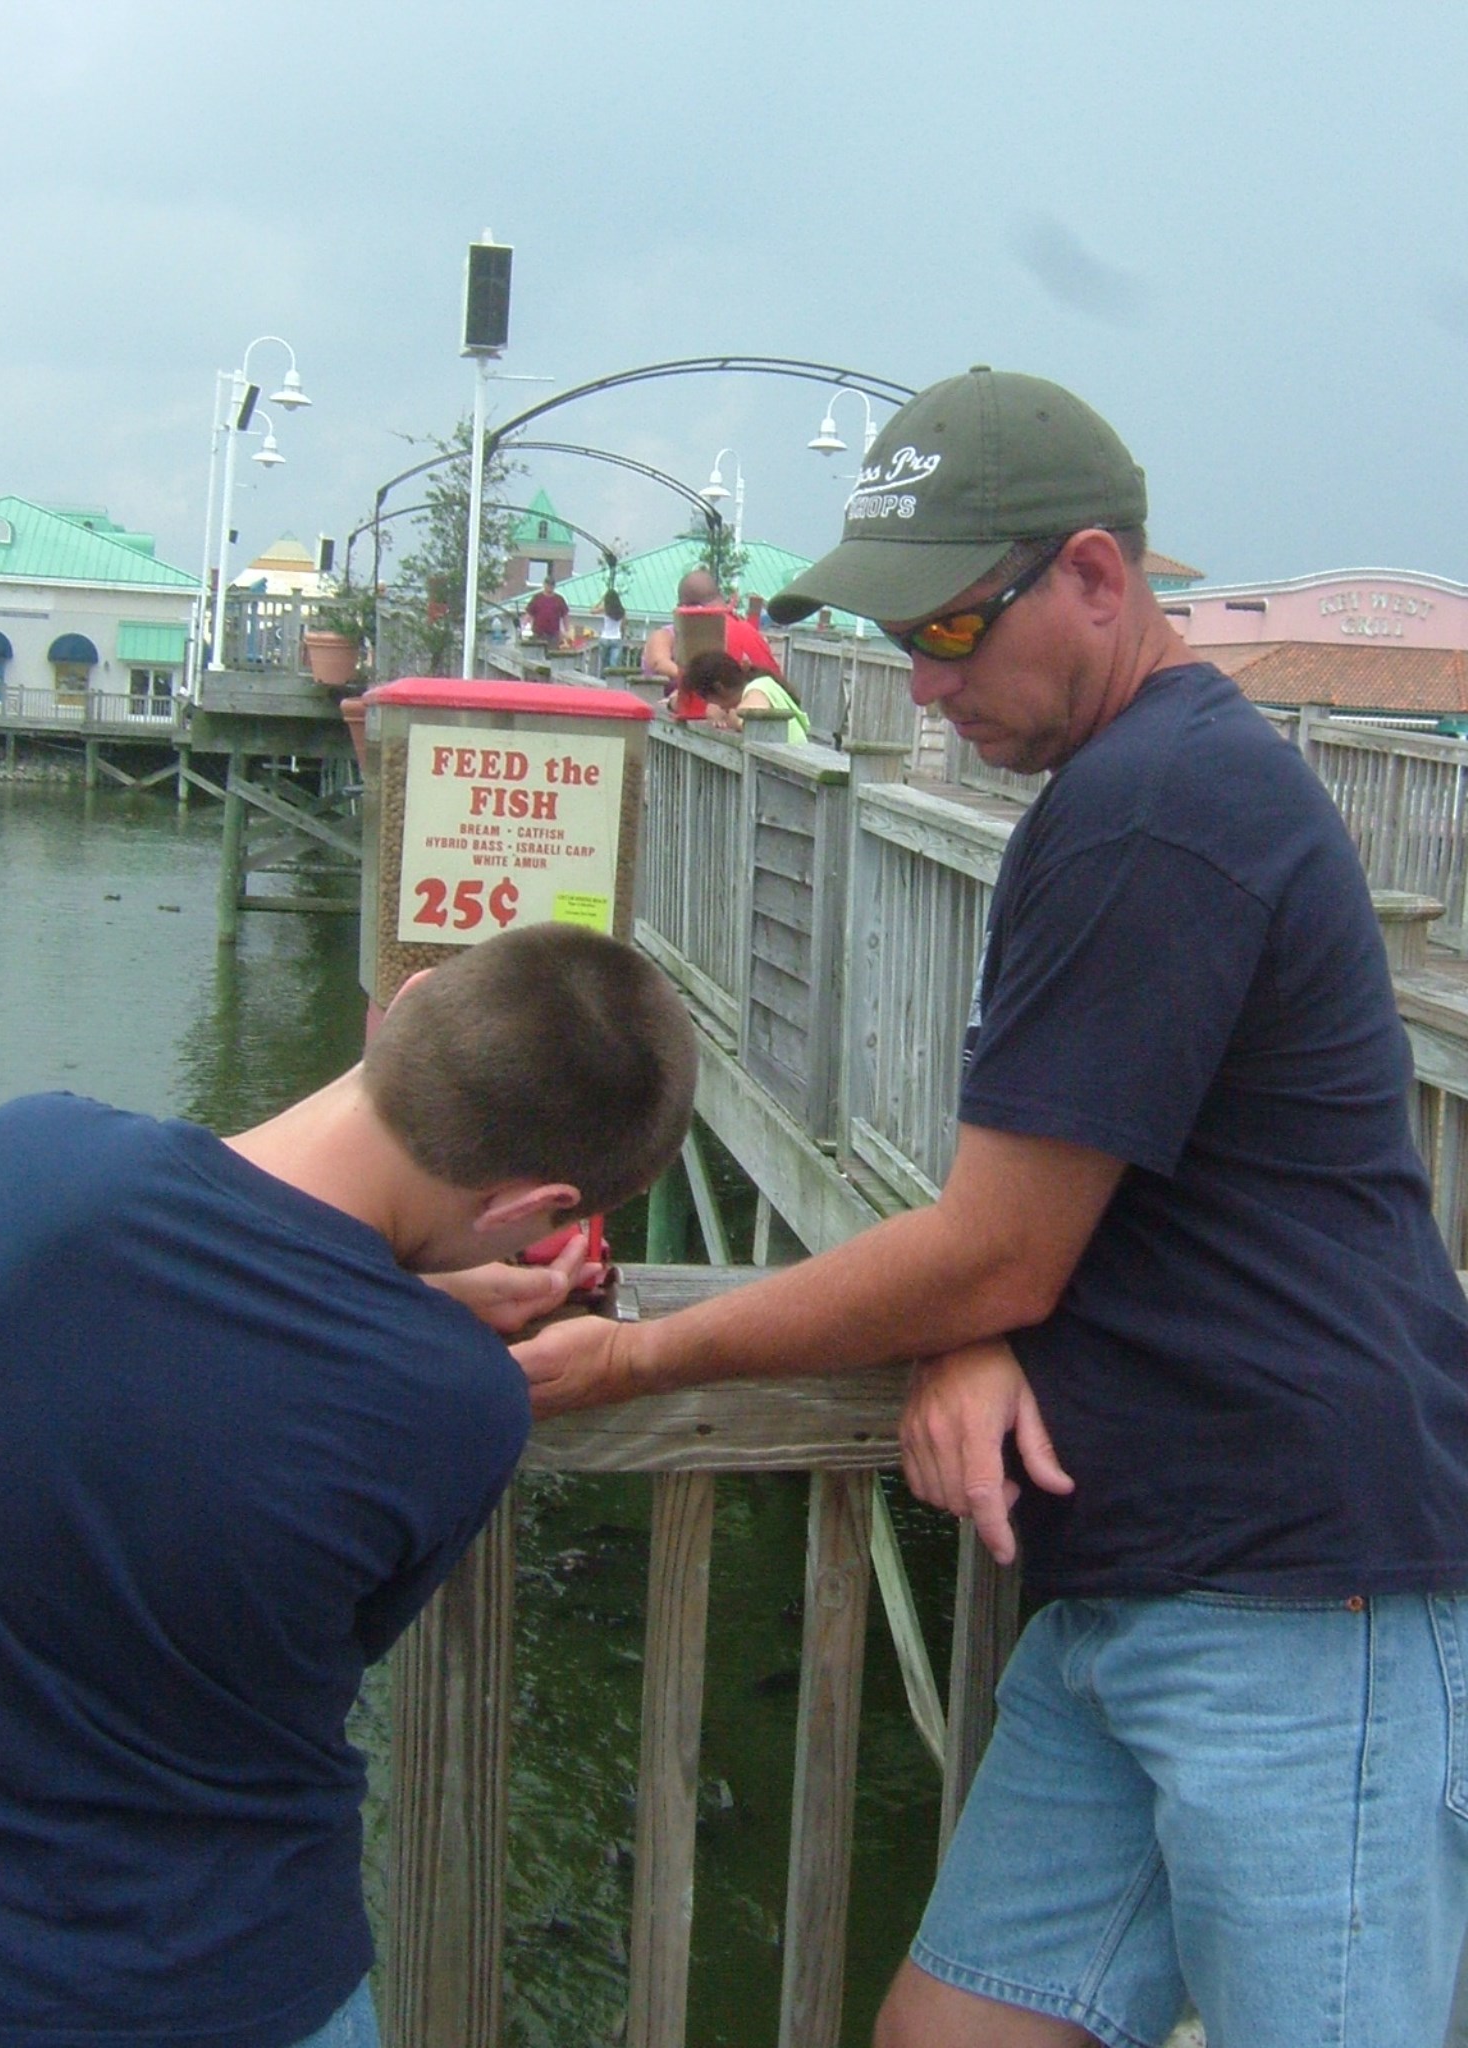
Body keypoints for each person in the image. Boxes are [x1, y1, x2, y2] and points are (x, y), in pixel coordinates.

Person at [516, 368, 1468, 2047]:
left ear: (1095, 576)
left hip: (1300, 1596)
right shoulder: (1148, 785)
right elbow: (1044, 1215)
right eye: (900, 637)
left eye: (950, 630)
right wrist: (962, 1333)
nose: (920, 681)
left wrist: (634, 1358)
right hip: (1142, 1571)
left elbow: (996, 1246)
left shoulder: (1155, 806)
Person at [0, 923, 697, 2048]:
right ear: (523, 1206)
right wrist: (423, 1310)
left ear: (409, 1000)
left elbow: (199, 1278)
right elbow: (348, 1621)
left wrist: (408, 1288)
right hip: (230, 1976)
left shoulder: (22, 1154)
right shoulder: (461, 1401)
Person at [682, 646, 809, 742]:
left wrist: (728, 715)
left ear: (719, 688)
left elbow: (752, 721)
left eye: (705, 698)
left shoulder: (758, 689)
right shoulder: (762, 683)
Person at [522, 573, 568, 649]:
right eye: (548, 584)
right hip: (538, 635)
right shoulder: (537, 598)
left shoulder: (559, 600)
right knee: (538, 653)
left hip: (553, 635)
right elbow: (529, 614)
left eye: (552, 585)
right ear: (544, 585)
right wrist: (523, 627)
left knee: (552, 653)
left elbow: (565, 616)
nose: (550, 587)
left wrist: (566, 631)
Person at [596, 585, 627, 677]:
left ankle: (602, 680)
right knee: (614, 664)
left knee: (604, 663)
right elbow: (624, 625)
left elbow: (592, 610)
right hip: (616, 637)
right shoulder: (622, 610)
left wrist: (601, 600)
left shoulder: (605, 609)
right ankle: (612, 681)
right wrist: (622, 635)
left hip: (605, 637)